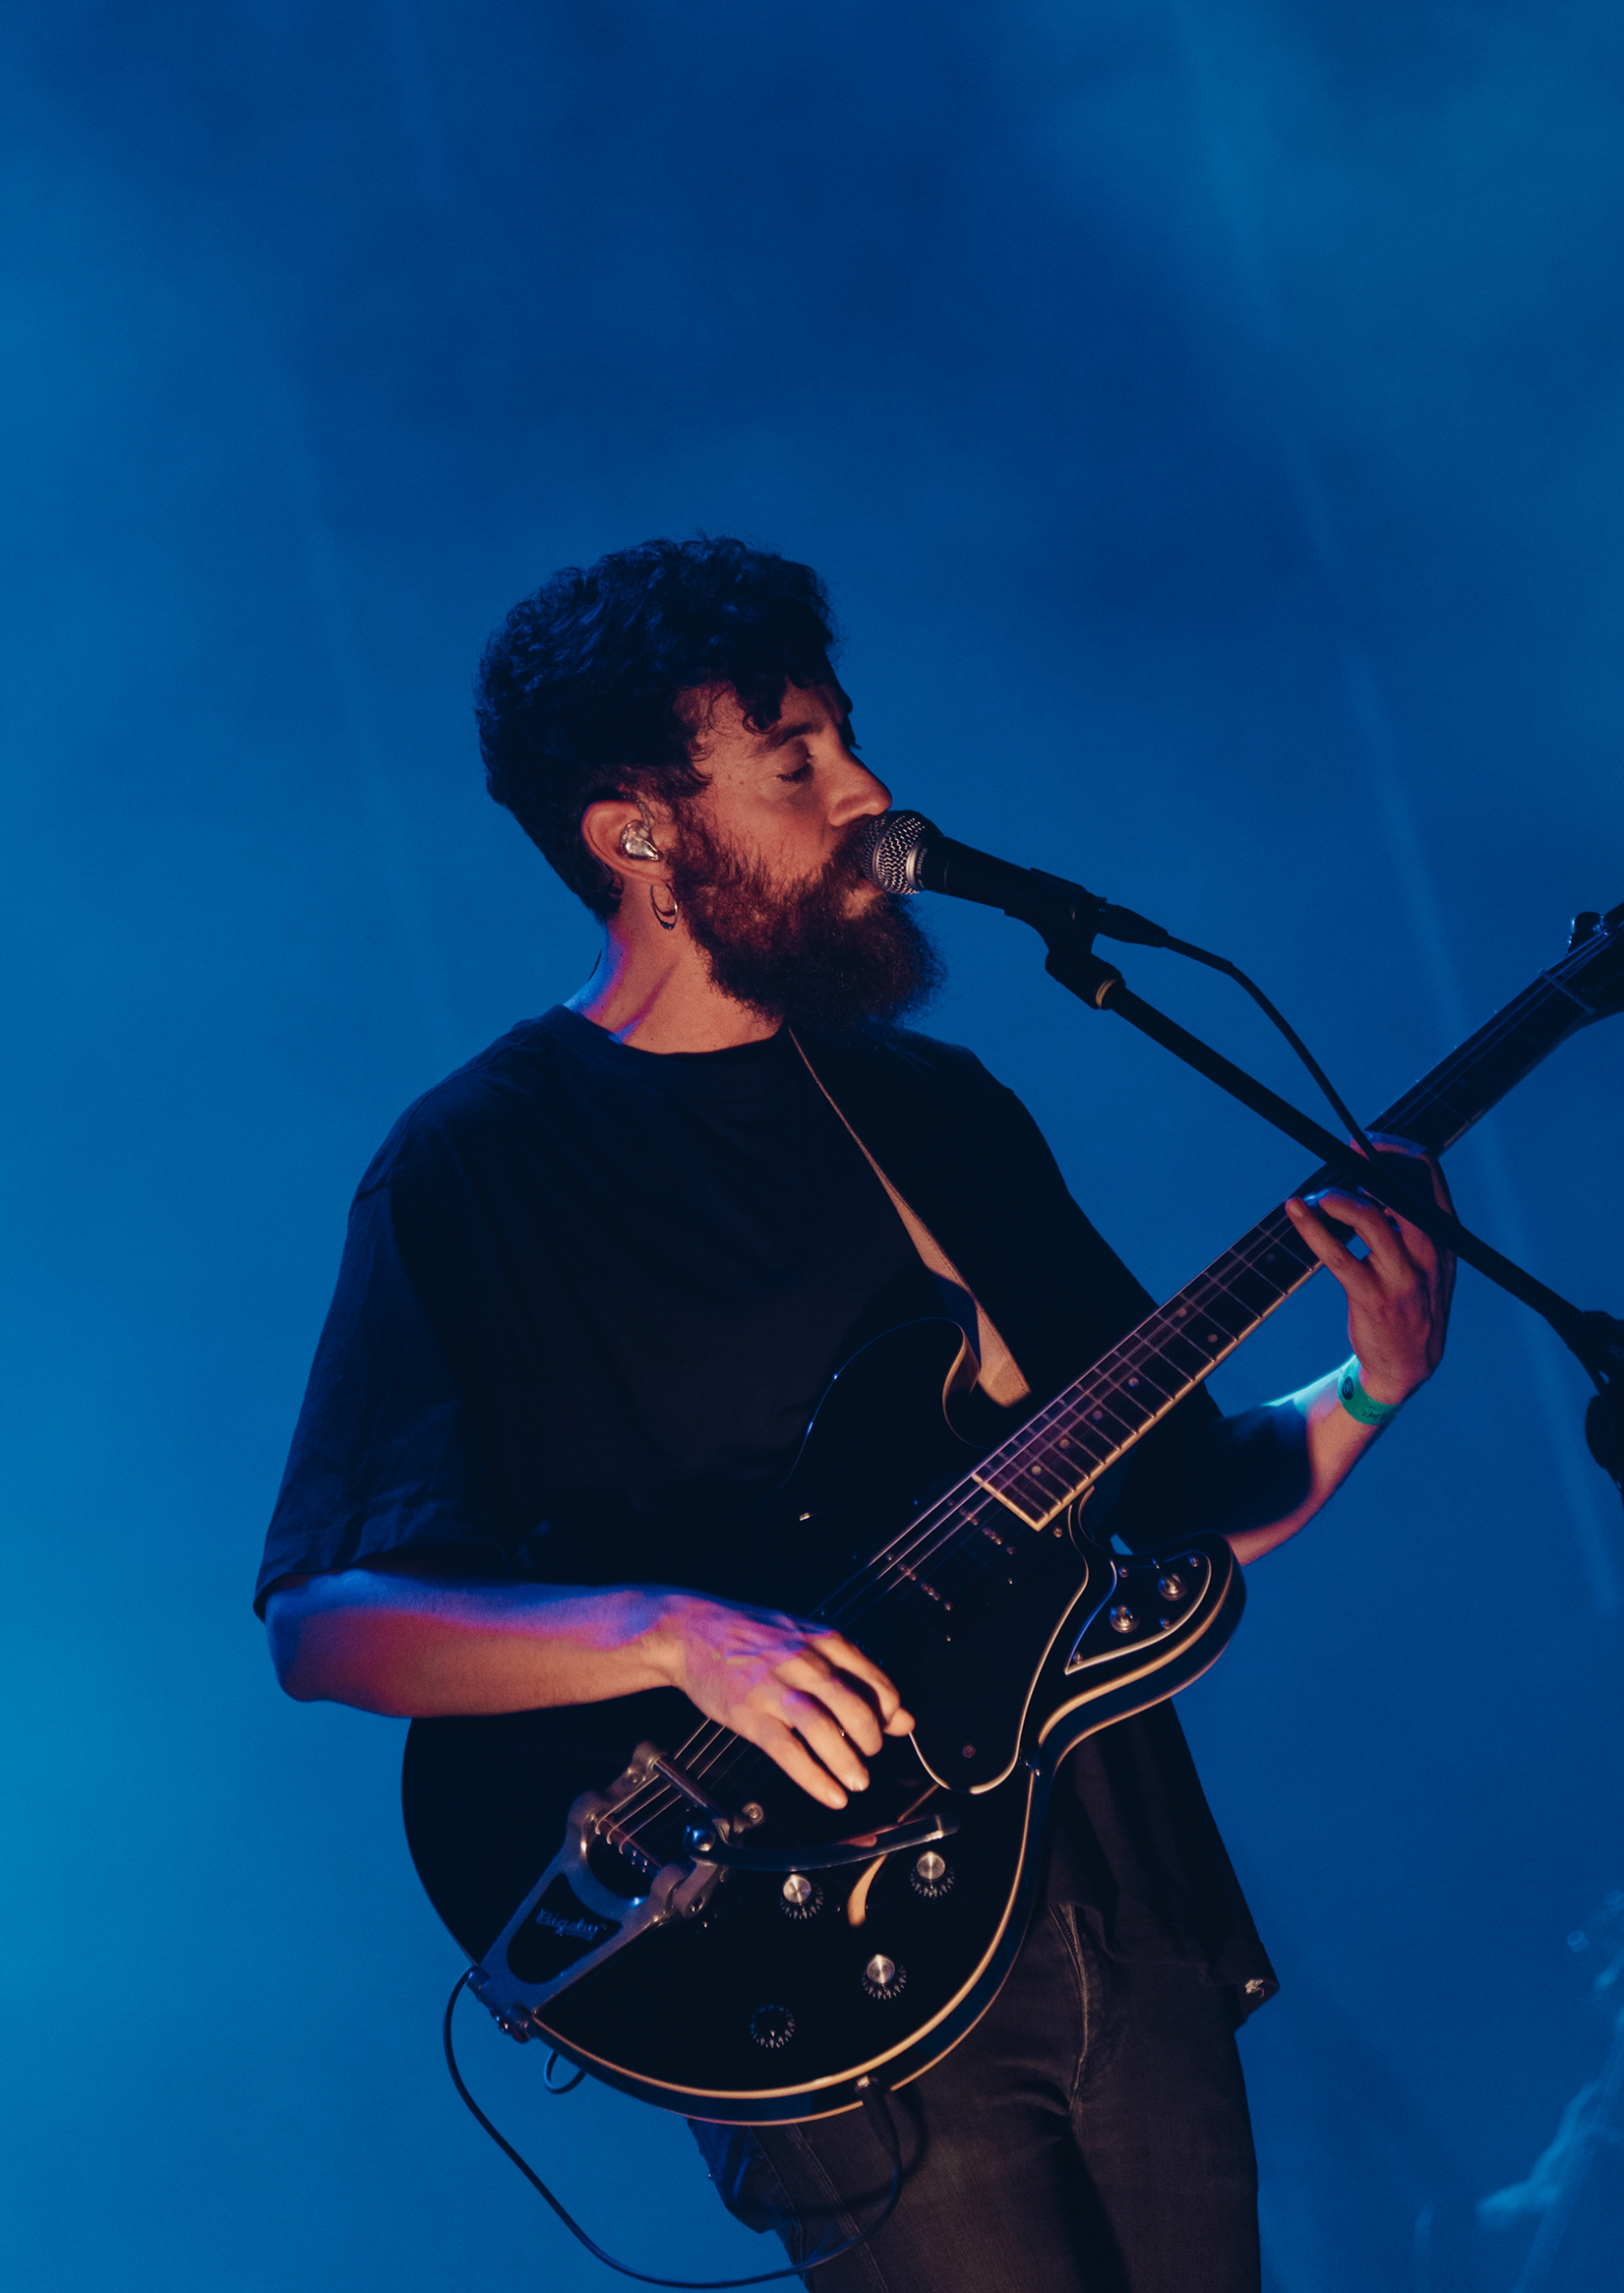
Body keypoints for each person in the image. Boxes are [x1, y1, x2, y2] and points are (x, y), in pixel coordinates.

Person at [259, 536, 1454, 2293]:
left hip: (1121, 1894)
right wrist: (679, 1635)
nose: (869, 789)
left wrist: (1370, 1380)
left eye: (847, 736)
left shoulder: (938, 1107)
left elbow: (1179, 1496)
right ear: (637, 834)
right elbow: (330, 1627)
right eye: (795, 758)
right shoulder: (480, 1162)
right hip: (808, 1950)